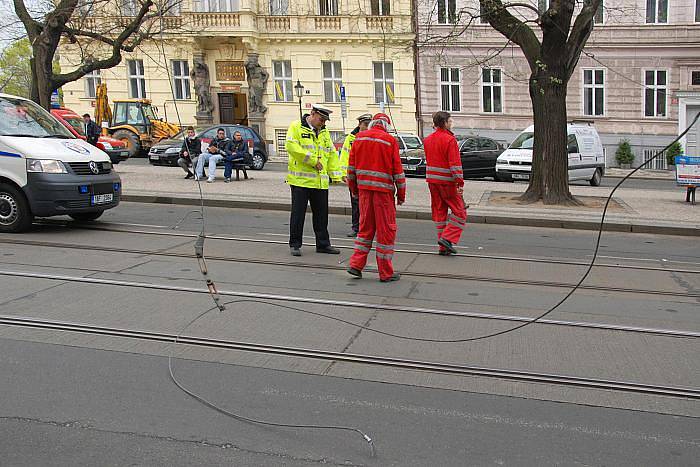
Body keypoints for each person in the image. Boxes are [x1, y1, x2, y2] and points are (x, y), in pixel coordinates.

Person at [346, 113, 405, 282]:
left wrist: (354, 190)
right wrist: (401, 195)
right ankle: (385, 272)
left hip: (364, 192)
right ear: (386, 126)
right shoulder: (389, 140)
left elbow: (351, 170)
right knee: (385, 232)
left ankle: (356, 265)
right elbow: (398, 173)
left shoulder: (359, 138)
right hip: (383, 195)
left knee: (365, 230)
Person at [285, 104, 343, 257]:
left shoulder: (324, 132)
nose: (323, 123)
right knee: (298, 214)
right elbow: (291, 147)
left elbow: (330, 153)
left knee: (321, 215)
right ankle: (295, 244)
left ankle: (323, 244)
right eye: (321, 119)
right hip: (300, 181)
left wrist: (336, 175)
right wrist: (312, 161)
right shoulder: (296, 126)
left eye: (325, 120)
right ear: (312, 113)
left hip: (320, 182)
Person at [423, 111, 467, 255]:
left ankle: (443, 247)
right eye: (450, 121)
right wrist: (459, 182)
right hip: (447, 182)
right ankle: (447, 239)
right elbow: (455, 164)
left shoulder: (427, 139)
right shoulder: (449, 140)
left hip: (432, 182)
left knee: (439, 212)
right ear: (445, 123)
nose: (451, 123)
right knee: (460, 212)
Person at [339, 113, 373, 237]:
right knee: (355, 204)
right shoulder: (351, 138)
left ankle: (367, 228)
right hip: (355, 177)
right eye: (365, 125)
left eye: (369, 125)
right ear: (359, 124)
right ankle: (356, 227)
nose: (367, 127)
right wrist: (344, 174)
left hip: (367, 176)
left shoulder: (370, 137)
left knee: (368, 204)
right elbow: (344, 156)